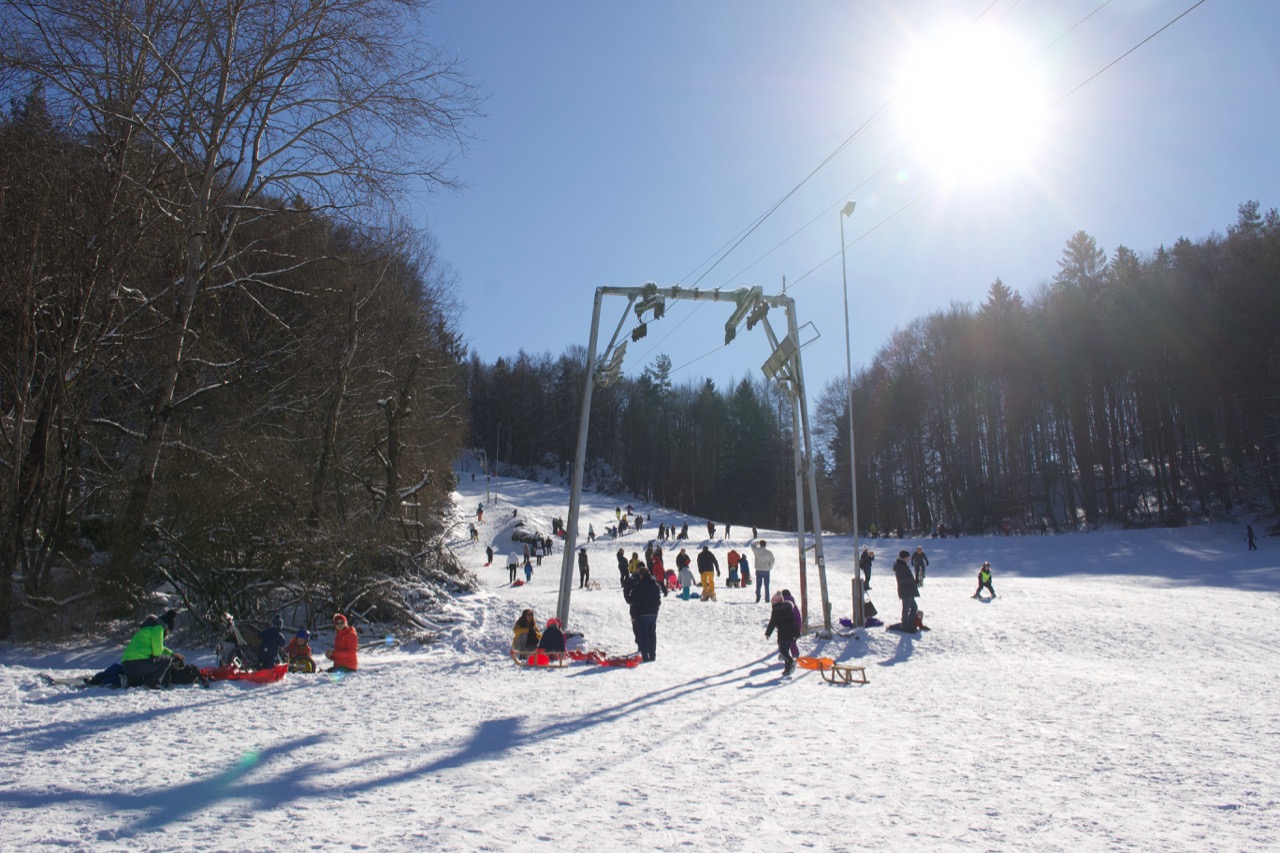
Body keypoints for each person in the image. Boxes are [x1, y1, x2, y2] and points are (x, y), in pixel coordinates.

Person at [120, 609, 178, 688]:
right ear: (166, 627)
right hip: (138, 665)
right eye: (168, 632)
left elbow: (157, 647)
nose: (167, 635)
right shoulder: (158, 629)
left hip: (126, 666)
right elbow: (157, 652)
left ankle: (131, 681)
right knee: (167, 660)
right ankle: (153, 682)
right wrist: (171, 657)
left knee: (154, 660)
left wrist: (172, 654)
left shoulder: (146, 629)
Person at [624, 567, 662, 662]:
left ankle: (645, 656)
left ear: (640, 575)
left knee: (643, 635)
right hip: (653, 613)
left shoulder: (639, 586)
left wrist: (633, 615)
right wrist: (656, 609)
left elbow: (635, 601)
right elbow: (658, 599)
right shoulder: (655, 585)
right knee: (652, 634)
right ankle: (652, 655)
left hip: (642, 614)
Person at [766, 592, 800, 676]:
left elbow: (772, 622)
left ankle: (791, 662)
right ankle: (787, 669)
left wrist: (768, 633)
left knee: (783, 651)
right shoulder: (788, 608)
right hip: (791, 632)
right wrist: (796, 632)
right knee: (786, 651)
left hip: (783, 633)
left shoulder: (776, 610)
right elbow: (794, 621)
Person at [893, 550, 920, 631]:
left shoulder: (903, 565)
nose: (909, 558)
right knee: (906, 608)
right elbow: (902, 580)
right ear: (904, 557)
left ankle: (910, 623)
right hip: (905, 591)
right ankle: (905, 625)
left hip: (909, 590)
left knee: (914, 607)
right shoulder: (900, 566)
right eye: (908, 557)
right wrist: (913, 580)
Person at [780, 589, 802, 659]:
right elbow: (798, 618)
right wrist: (799, 628)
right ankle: (795, 655)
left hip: (784, 629)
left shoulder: (781, 606)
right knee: (792, 643)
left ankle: (784, 655)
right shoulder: (794, 606)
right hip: (794, 628)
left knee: (783, 643)